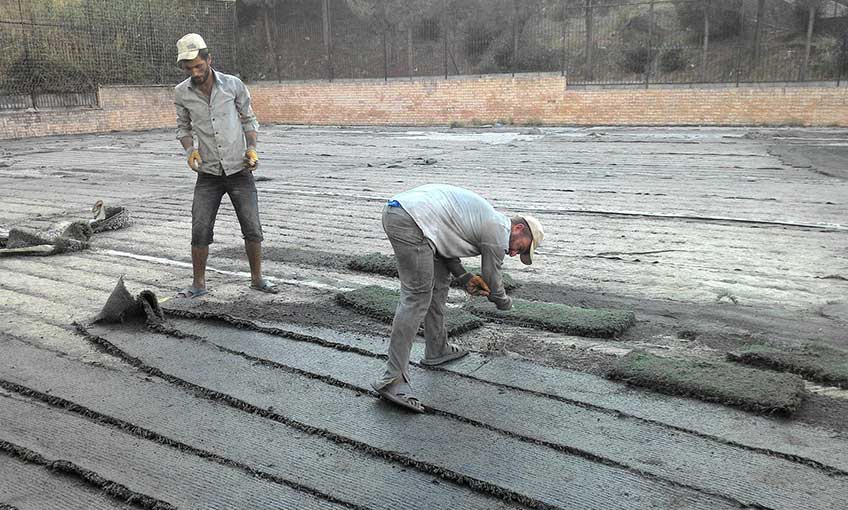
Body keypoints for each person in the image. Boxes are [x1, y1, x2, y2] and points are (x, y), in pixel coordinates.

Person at [372, 184, 544, 412]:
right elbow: (492, 276)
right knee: (416, 297)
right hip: (411, 220)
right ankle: (392, 379)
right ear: (519, 228)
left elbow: (445, 247)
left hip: (413, 217)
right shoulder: (498, 228)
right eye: (521, 248)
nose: (514, 254)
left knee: (439, 285)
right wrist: (504, 302)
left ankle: (437, 349)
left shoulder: (480, 220)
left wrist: (463, 277)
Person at [173, 33, 277, 298]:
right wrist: (189, 151)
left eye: (198, 65)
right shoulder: (181, 92)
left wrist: (251, 148)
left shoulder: (233, 85)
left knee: (251, 225)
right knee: (200, 226)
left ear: (209, 59)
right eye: (188, 68)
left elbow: (249, 120)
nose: (195, 72)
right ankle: (198, 284)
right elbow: (183, 127)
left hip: (239, 169)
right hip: (207, 172)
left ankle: (257, 279)